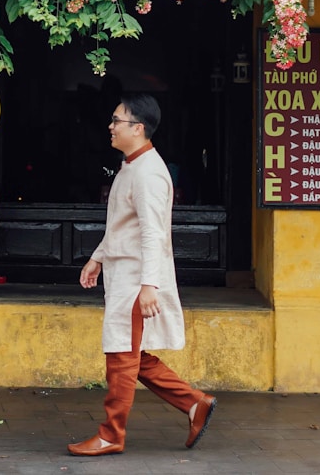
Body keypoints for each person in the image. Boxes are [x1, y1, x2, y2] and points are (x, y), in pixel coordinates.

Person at [67, 93, 216, 457]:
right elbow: (124, 225)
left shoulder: (148, 173)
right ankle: (196, 403)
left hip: (136, 279)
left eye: (117, 120)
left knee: (121, 354)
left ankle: (111, 434)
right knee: (131, 353)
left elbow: (153, 233)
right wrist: (98, 257)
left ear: (138, 128)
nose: (110, 126)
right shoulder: (132, 166)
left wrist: (150, 285)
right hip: (124, 274)